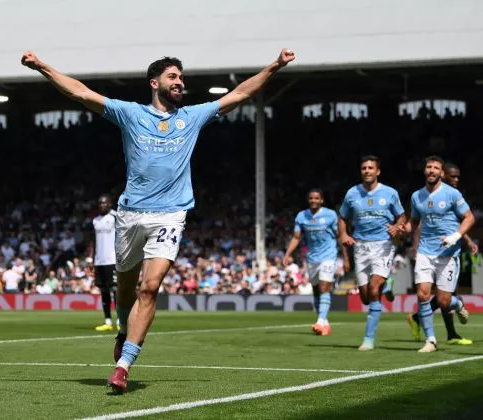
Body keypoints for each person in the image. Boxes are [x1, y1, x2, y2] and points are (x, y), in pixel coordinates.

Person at [21, 47, 296, 392]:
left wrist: (275, 65)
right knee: (125, 288)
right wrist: (42, 66)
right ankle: (123, 330)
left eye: (181, 77)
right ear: (155, 83)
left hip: (171, 213)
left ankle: (123, 366)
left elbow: (240, 93)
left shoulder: (193, 116)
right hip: (131, 214)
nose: (180, 82)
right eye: (173, 76)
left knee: (149, 288)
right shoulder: (130, 114)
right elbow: (80, 92)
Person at [401, 156, 474, 352]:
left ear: (441, 173)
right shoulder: (417, 196)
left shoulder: (452, 194)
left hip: (448, 253)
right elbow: (414, 221)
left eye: (436, 168)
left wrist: (456, 236)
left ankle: (457, 304)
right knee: (423, 295)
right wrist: (403, 228)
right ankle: (431, 340)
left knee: (443, 301)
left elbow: (469, 218)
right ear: (425, 171)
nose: (432, 171)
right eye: (429, 167)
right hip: (426, 251)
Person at [339, 155, 405, 351]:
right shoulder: (352, 193)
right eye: (364, 168)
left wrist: (397, 226)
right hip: (360, 246)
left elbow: (402, 216)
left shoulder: (390, 193)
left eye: (370, 168)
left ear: (378, 171)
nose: (367, 171)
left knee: (374, 290)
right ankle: (387, 285)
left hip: (383, 245)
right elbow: (342, 217)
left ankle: (368, 339)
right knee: (366, 297)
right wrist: (343, 234)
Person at [283, 189, 347, 336]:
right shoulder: (301, 216)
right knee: (317, 291)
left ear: (321, 200)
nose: (313, 200)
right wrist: (288, 254)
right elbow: (296, 237)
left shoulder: (330, 215)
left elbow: (339, 237)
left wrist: (345, 258)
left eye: (316, 198)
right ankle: (325, 324)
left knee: (324, 287)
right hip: (312, 258)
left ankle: (320, 320)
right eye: (311, 198)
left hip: (329, 256)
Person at [90, 194, 119, 332]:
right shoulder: (95, 220)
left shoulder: (115, 217)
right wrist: (92, 259)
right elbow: (93, 241)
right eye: (100, 203)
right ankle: (107, 321)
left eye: (104, 203)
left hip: (112, 260)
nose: (101, 205)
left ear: (110, 204)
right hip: (99, 261)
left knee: (116, 290)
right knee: (104, 291)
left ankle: (120, 321)